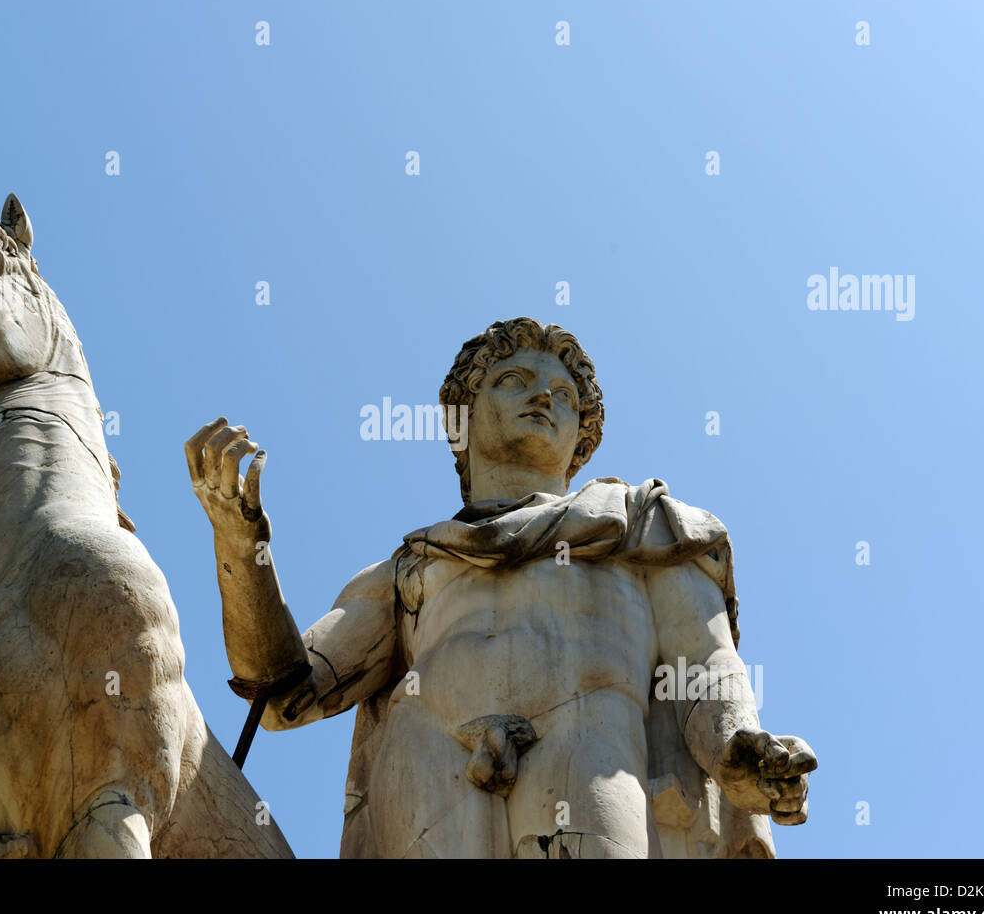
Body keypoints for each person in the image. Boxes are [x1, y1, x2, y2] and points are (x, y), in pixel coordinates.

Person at [185, 317, 816, 858]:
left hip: (594, 758)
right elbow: (281, 693)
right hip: (428, 773)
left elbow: (705, 661)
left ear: (581, 437)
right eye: (514, 380)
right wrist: (242, 548)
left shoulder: (645, 527)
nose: (543, 396)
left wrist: (739, 745)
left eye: (565, 394)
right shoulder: (409, 571)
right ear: (462, 419)